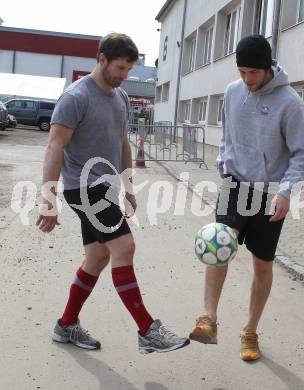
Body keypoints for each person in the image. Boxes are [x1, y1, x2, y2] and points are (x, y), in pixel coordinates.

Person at [36, 32, 189, 354]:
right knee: (125, 246)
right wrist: (49, 200)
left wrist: (129, 188)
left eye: (128, 69)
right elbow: (54, 147)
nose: (124, 75)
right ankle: (148, 330)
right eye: (119, 67)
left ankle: (66, 325)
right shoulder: (76, 97)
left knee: (98, 256)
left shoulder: (120, 98)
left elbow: (122, 143)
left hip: (105, 187)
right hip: (84, 187)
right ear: (101, 59)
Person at [189, 34, 304, 361]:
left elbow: (303, 157)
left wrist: (286, 193)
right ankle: (209, 319)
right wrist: (222, 162)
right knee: (219, 244)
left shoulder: (289, 103)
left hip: (271, 193)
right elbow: (227, 134)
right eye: (242, 72)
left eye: (252, 73)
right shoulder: (233, 92)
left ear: (268, 68)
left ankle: (250, 330)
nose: (246, 79)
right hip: (235, 183)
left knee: (262, 264)